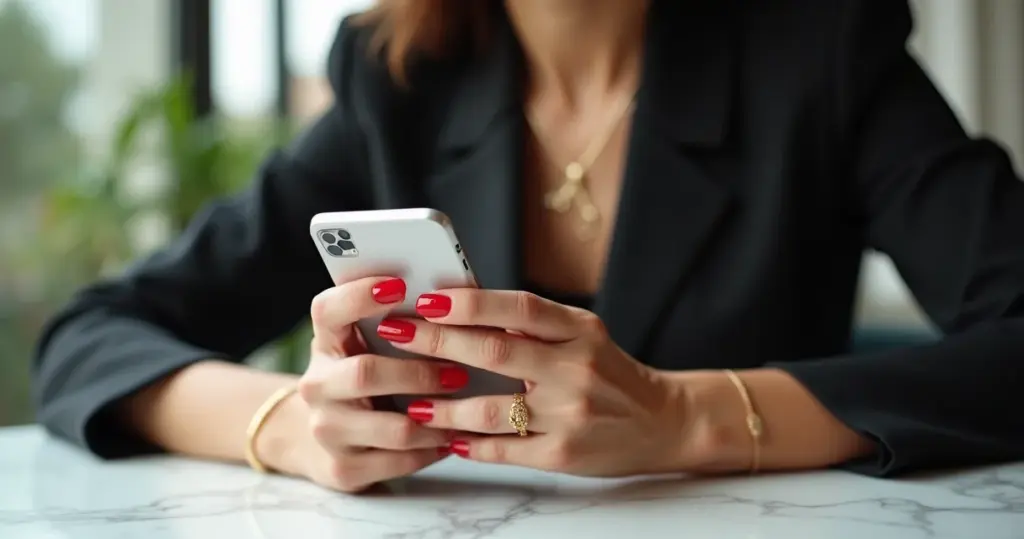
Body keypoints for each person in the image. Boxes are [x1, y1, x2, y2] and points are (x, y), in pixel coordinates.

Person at [32, 0, 1024, 493]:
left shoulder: (824, 50)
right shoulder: (399, 77)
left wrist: (692, 416)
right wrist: (287, 423)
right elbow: (91, 335)